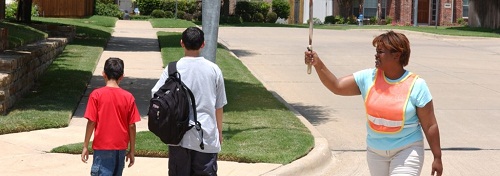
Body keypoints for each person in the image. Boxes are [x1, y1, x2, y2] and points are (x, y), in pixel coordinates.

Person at [304, 31, 443, 176]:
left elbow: (430, 125)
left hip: (407, 150)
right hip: (376, 152)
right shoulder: (368, 78)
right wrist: (317, 63)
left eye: (381, 52)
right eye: (376, 51)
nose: (376, 55)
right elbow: (336, 86)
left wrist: (437, 157)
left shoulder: (417, 85)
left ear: (397, 55)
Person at [151, 27, 227, 176]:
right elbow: (219, 106)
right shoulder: (214, 70)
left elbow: (156, 96)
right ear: (203, 44)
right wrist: (219, 132)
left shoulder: (172, 69)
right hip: (206, 137)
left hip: (178, 137)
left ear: (182, 43)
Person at [81, 57, 141, 175]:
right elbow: (132, 125)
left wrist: (85, 146)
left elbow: (92, 122)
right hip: (121, 149)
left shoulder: (96, 95)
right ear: (122, 76)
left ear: (104, 74)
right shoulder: (128, 97)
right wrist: (132, 150)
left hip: (102, 147)